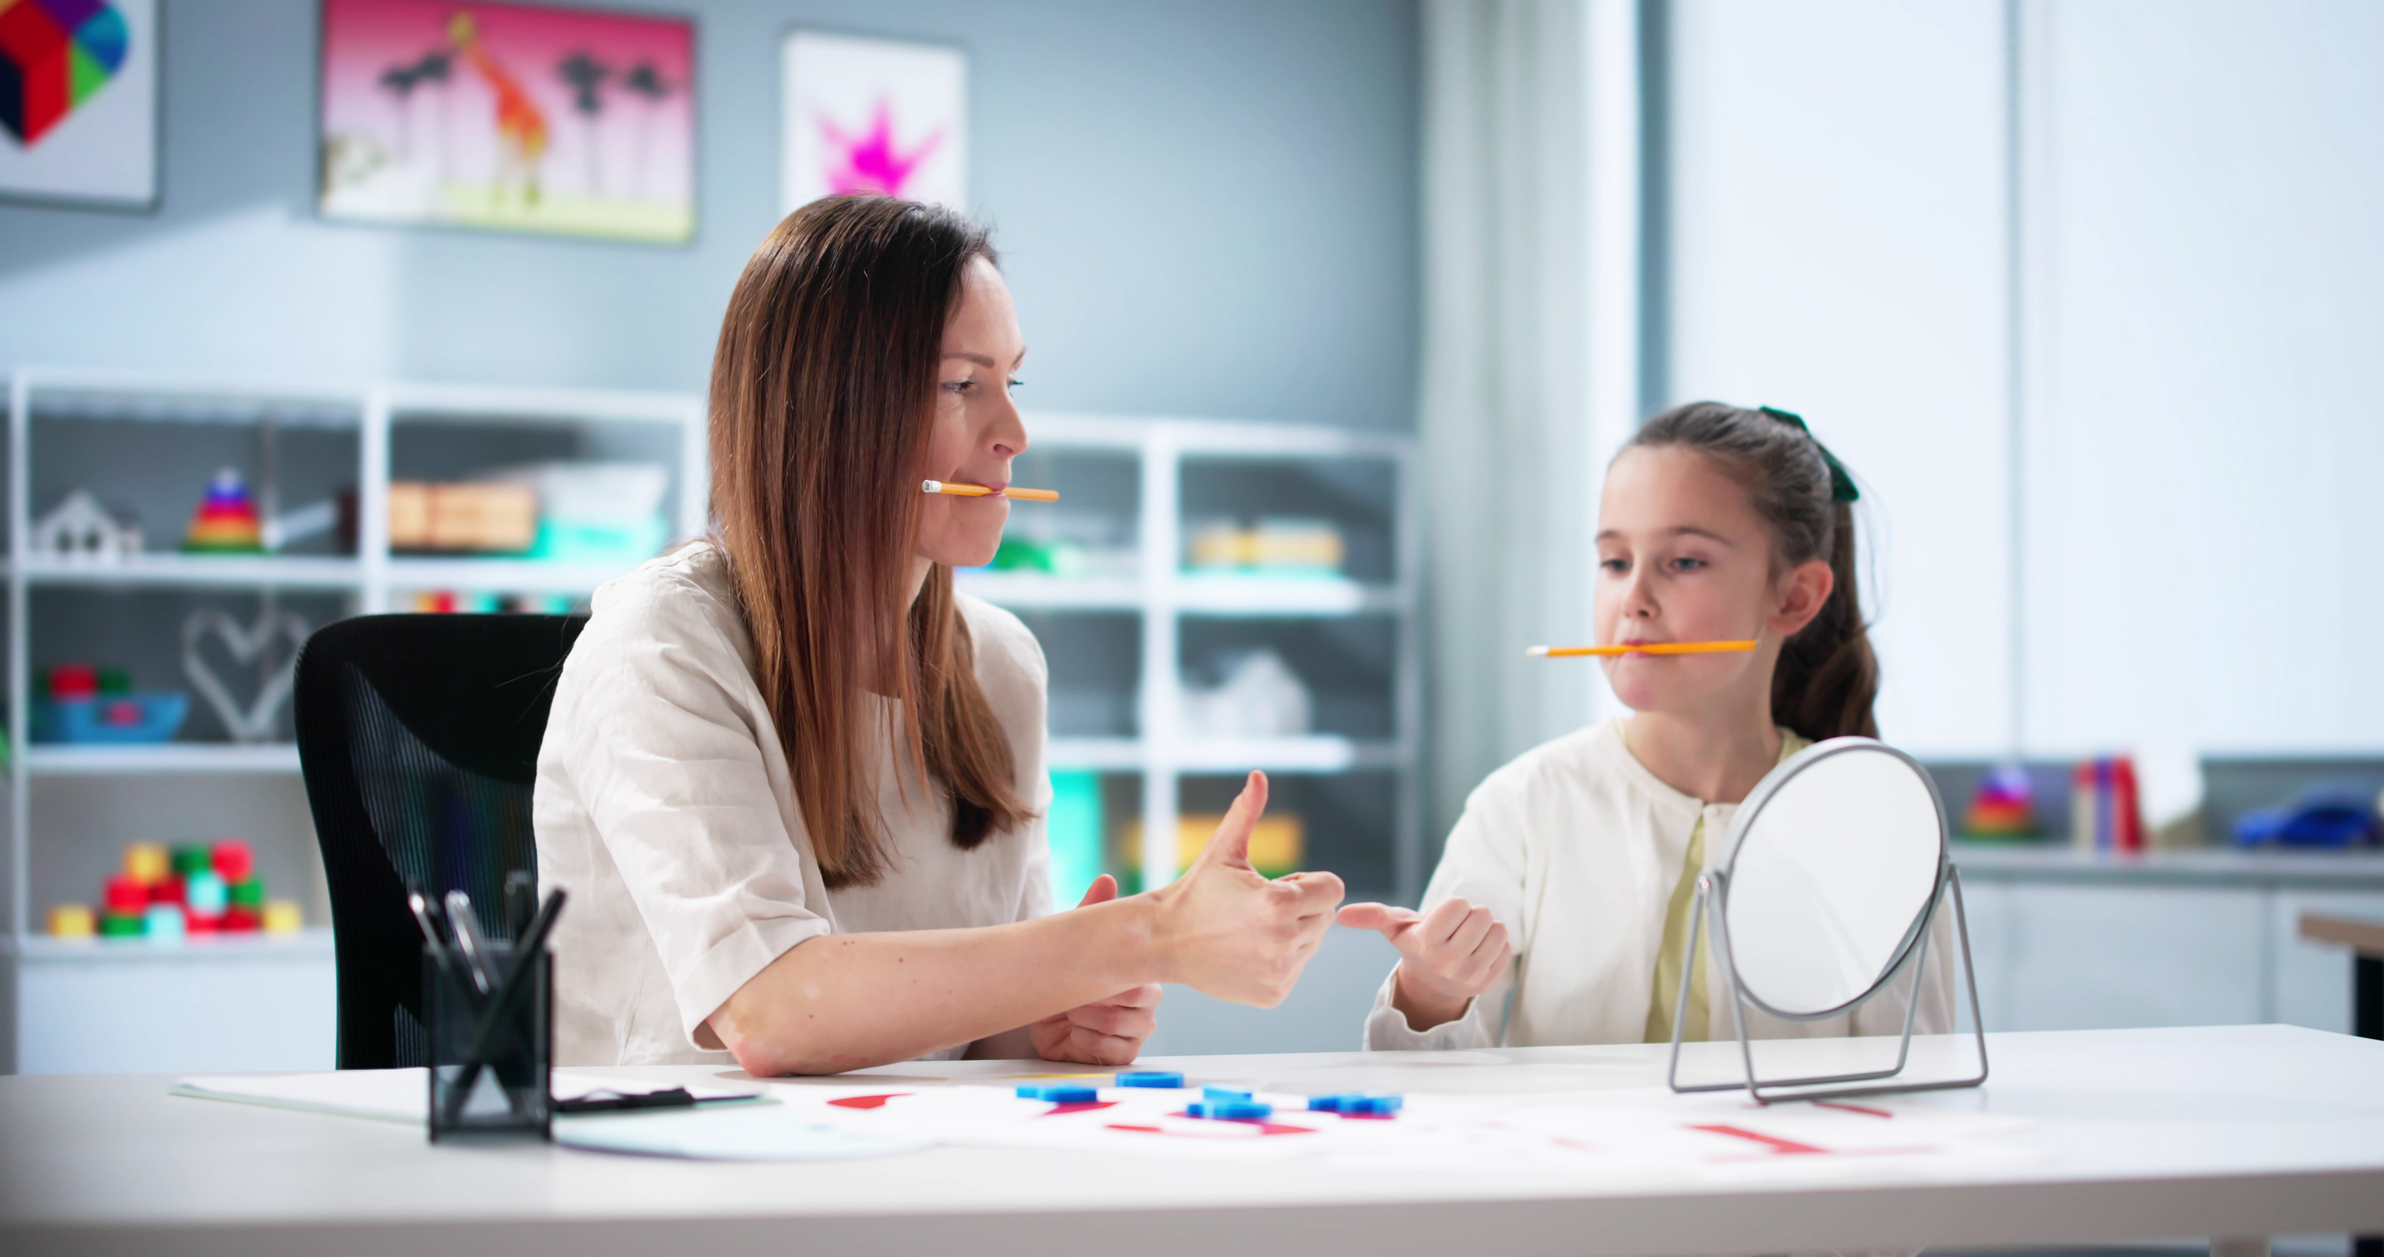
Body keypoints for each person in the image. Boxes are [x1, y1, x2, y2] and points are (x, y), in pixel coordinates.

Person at [535, 195, 1345, 1074]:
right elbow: (774, 1010)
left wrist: (1047, 1024)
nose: (1015, 434)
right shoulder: (658, 644)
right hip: (669, 1181)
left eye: (1013, 382)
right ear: (832, 412)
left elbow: (969, 1035)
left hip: (904, 1169)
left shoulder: (1001, 665)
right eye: (966, 385)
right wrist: (1149, 934)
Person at [1339, 402, 1952, 1049]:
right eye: (1614, 561)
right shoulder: (1524, 805)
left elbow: (1910, 1079)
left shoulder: (1866, 824)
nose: (1633, 597)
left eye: (1685, 561)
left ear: (1794, 596)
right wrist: (1432, 990)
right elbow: (1416, 1075)